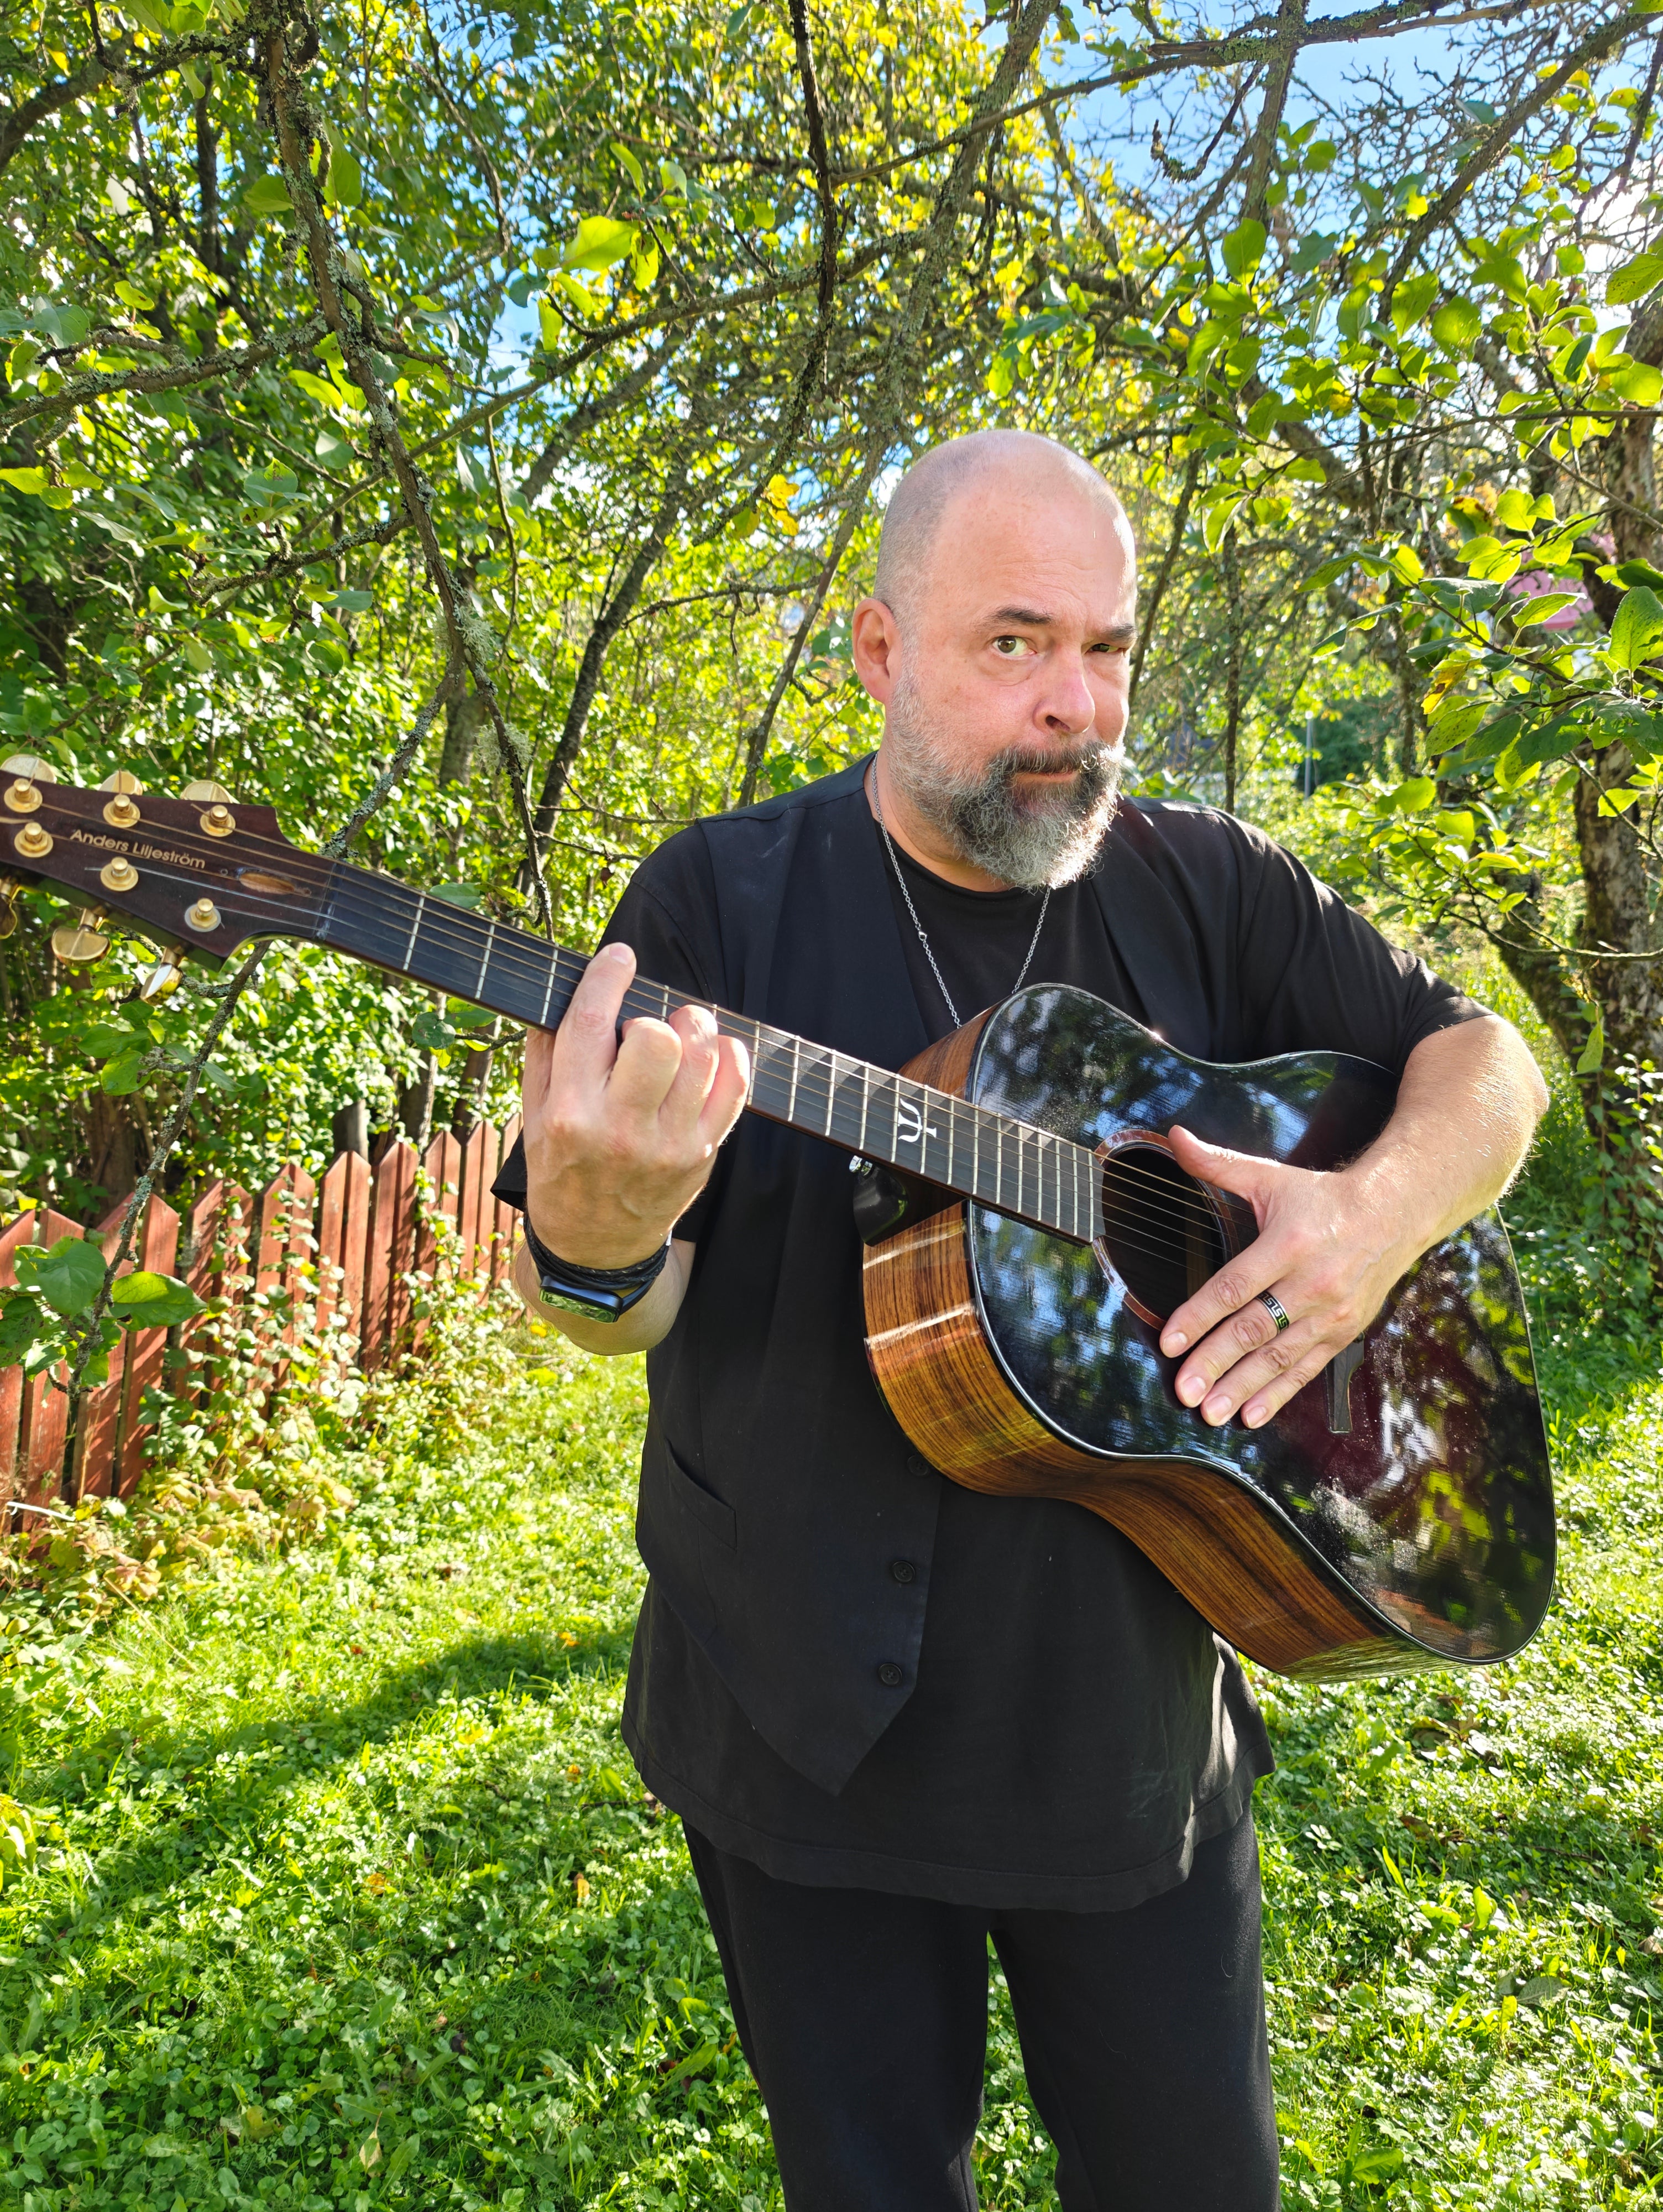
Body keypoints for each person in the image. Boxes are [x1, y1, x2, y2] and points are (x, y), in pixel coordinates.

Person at [492, 429, 1547, 2209]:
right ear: (880, 652)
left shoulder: (1207, 881)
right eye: (1013, 645)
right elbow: (608, 1306)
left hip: (1129, 1723)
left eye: (1108, 649)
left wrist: (1366, 1224)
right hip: (797, 1720)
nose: (1075, 706)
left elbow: (1487, 1062)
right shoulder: (712, 905)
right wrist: (598, 1230)